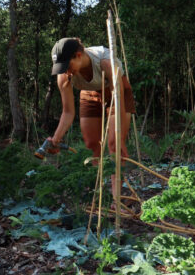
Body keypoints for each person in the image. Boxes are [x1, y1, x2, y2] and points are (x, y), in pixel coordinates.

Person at [47, 37, 136, 201]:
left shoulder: (105, 62)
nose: (65, 71)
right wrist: (56, 139)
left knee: (115, 144)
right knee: (91, 144)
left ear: (79, 55)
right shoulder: (64, 76)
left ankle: (116, 199)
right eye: (61, 68)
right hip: (89, 93)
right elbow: (67, 112)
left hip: (116, 90)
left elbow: (118, 98)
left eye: (67, 66)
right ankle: (98, 193)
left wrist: (117, 133)